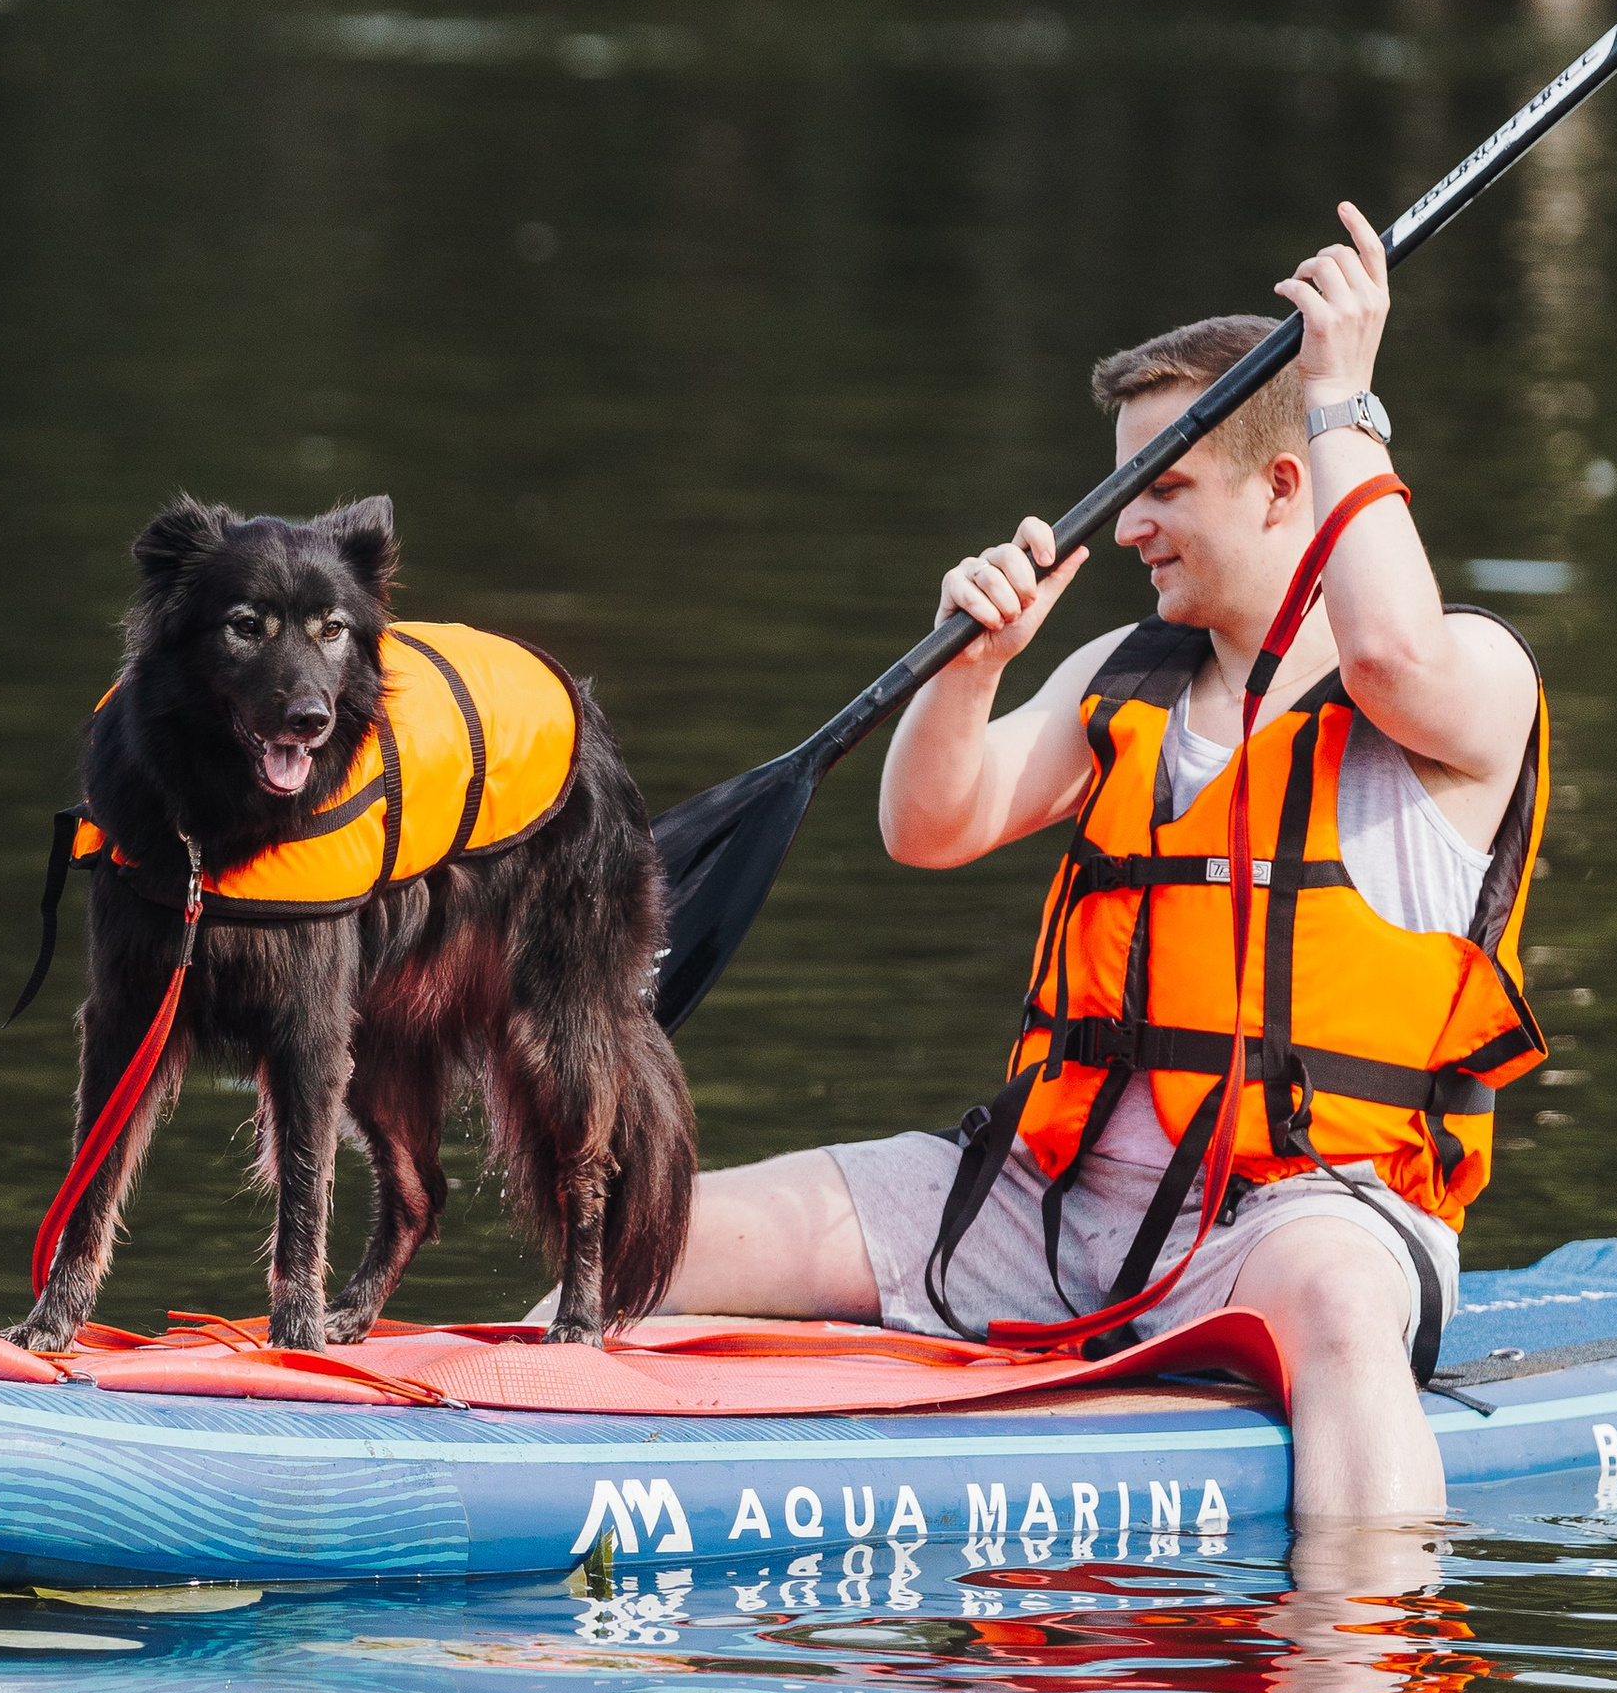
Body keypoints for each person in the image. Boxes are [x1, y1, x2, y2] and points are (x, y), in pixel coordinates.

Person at [658, 204, 1548, 1525]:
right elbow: (931, 827)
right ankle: (480, 1457)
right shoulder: (1126, 678)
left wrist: (1342, 395)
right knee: (651, 1230)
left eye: (1166, 488)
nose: (1130, 522)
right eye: (1124, 489)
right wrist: (974, 666)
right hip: (1040, 1203)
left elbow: (1388, 655)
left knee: (1346, 1319)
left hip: (1299, 1218)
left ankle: (1355, 1681)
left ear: (1285, 484)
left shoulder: (1463, 682)